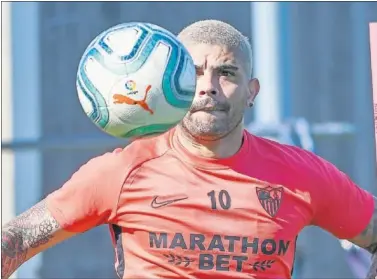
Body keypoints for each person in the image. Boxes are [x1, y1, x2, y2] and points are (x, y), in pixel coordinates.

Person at [1, 19, 377, 279]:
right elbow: (14, 240)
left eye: (226, 73)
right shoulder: (124, 171)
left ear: (252, 92)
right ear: (170, 82)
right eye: (195, 72)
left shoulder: (303, 174)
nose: (208, 87)